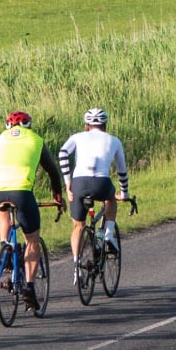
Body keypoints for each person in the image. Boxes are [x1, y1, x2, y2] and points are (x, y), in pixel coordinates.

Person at [0, 110, 65, 313]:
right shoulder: (35, 139)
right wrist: (57, 194)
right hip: (21, 191)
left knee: (2, 208)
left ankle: (6, 245)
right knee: (32, 240)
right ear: (28, 125)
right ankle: (29, 286)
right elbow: (52, 171)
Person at [60, 107, 131, 287]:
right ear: (104, 125)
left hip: (79, 183)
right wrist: (124, 193)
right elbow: (122, 170)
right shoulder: (114, 140)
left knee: (78, 226)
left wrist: (67, 182)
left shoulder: (77, 137)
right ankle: (107, 234)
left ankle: (76, 266)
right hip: (101, 183)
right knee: (110, 199)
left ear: (86, 125)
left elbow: (62, 154)